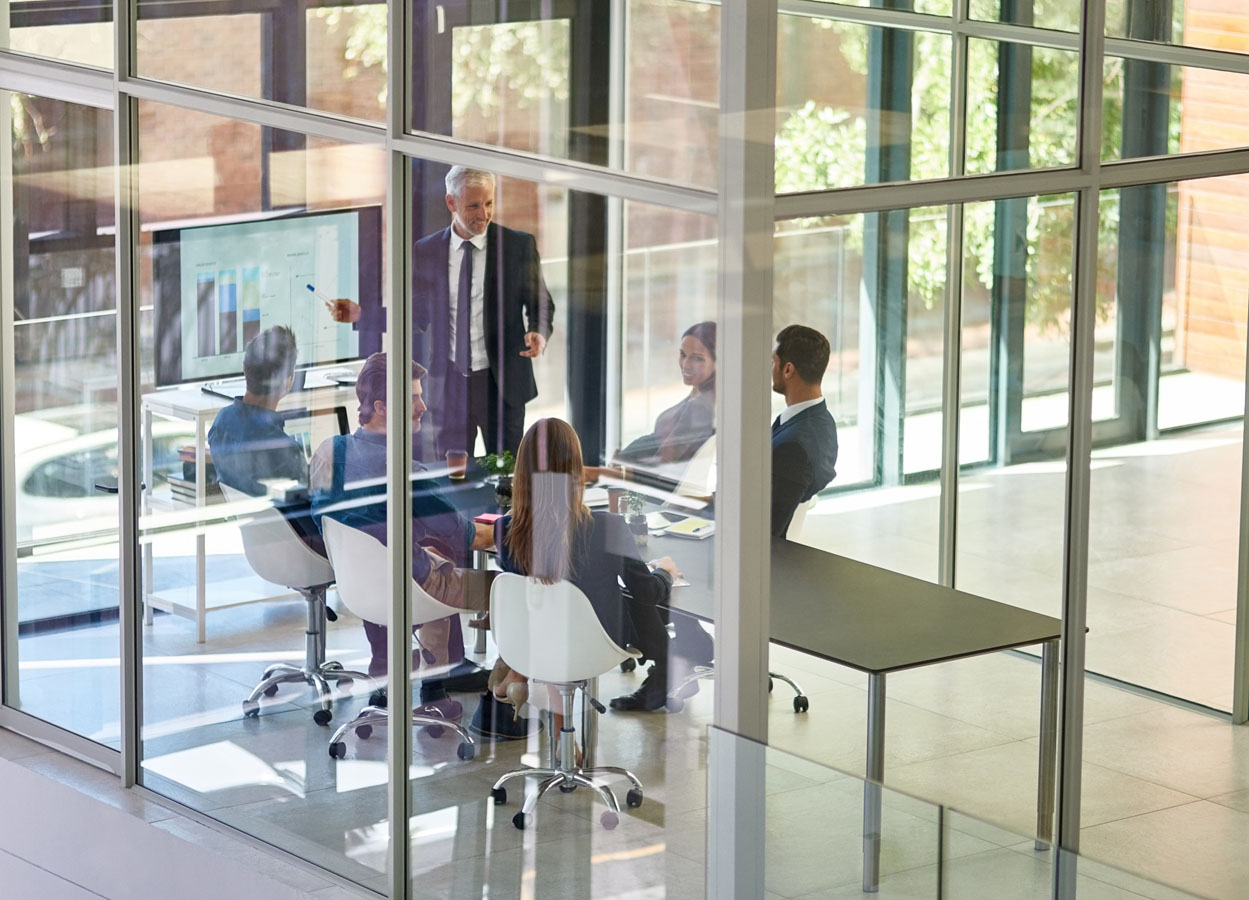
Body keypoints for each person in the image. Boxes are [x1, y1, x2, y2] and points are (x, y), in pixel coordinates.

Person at [310, 352, 494, 715]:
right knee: (504, 587)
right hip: (412, 590)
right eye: (413, 398)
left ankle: (388, 672)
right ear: (381, 406)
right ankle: (494, 695)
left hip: (356, 589)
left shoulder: (329, 452)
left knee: (419, 551)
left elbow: (325, 523)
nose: (423, 405)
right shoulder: (405, 472)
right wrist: (514, 527)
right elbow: (464, 534)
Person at [327, 166, 555, 457]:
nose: (483, 214)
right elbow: (416, 316)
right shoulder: (427, 250)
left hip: (502, 387)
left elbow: (541, 303)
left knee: (506, 474)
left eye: (489, 204)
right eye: (473, 205)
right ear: (451, 203)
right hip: (450, 388)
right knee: (454, 477)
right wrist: (363, 315)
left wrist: (538, 332)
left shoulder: (518, 246)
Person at [481, 418, 681, 736]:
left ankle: (518, 673)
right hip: (595, 645)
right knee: (632, 600)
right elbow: (647, 593)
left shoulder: (504, 530)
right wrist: (664, 573)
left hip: (533, 643)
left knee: (548, 609)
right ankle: (667, 668)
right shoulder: (608, 527)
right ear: (576, 470)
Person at [207, 325, 324, 554]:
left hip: (262, 548)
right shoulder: (283, 449)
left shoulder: (220, 424)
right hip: (301, 550)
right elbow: (313, 516)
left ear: (246, 371)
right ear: (287, 383)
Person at [771, 324, 839, 538]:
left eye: (773, 363)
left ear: (788, 370)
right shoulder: (823, 422)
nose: (771, 369)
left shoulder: (793, 448)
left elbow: (769, 527)